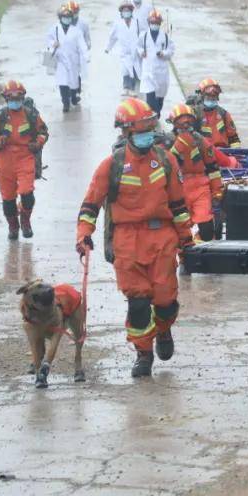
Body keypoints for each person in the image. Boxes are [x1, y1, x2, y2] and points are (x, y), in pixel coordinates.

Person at [76, 98, 193, 378]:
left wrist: (186, 240)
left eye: (149, 129)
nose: (147, 135)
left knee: (166, 301)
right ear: (127, 132)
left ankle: (163, 330)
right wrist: (83, 234)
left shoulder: (165, 160)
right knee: (138, 303)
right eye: (141, 130)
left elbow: (178, 205)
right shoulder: (112, 165)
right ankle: (143, 353)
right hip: (127, 241)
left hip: (162, 238)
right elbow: (91, 204)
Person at [0, 80, 48, 240]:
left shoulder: (31, 115)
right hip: (4, 162)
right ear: (6, 99)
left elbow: (43, 132)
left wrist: (38, 143)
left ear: (22, 98)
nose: (15, 101)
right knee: (8, 201)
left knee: (27, 194)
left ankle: (25, 220)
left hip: (25, 158)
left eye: (18, 98)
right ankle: (13, 226)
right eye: (11, 98)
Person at [167, 104, 223, 243]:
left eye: (189, 122)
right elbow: (163, 167)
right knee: (179, 230)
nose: (186, 127)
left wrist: (217, 191)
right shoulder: (167, 142)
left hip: (200, 187)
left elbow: (212, 167)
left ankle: (203, 256)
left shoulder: (200, 141)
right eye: (182, 123)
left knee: (207, 228)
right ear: (174, 124)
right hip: (177, 189)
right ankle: (185, 257)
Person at [45, 4, 86, 112]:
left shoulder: (76, 31)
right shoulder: (54, 29)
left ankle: (73, 97)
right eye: (64, 17)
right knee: (62, 82)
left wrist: (86, 56)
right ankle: (65, 103)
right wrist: (53, 43)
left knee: (73, 82)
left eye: (68, 17)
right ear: (60, 18)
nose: (66, 19)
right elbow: (48, 39)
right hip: (60, 60)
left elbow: (82, 45)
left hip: (73, 60)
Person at [137, 9, 174, 117]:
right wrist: (141, 52)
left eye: (157, 23)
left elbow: (171, 50)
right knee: (150, 97)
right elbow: (138, 47)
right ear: (149, 23)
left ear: (160, 23)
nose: (154, 25)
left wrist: (164, 53)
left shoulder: (165, 37)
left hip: (161, 72)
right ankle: (152, 116)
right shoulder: (143, 36)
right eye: (152, 23)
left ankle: (156, 112)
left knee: (159, 98)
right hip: (148, 71)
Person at [193, 78, 241, 148]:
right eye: (208, 96)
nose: (211, 98)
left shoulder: (223, 114)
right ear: (201, 96)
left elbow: (233, 138)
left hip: (224, 152)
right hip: (204, 153)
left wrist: (236, 152)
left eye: (214, 96)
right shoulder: (194, 114)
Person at [105, 1, 141, 92]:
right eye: (124, 11)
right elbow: (112, 37)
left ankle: (132, 89)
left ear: (131, 12)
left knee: (134, 71)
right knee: (125, 70)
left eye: (128, 10)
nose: (126, 12)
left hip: (135, 52)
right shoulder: (118, 24)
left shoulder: (136, 23)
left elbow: (142, 36)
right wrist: (108, 48)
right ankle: (126, 88)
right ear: (121, 12)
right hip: (124, 53)